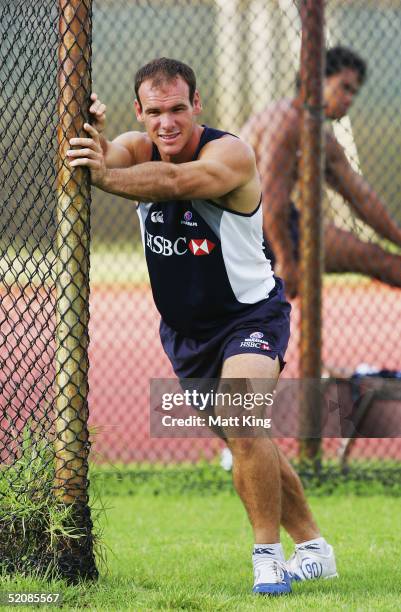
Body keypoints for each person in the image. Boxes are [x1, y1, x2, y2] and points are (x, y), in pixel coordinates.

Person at [67, 58, 337, 595]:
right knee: (248, 440)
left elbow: (172, 182)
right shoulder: (135, 149)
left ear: (197, 107)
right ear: (140, 113)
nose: (167, 123)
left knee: (242, 416)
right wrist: (85, 133)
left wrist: (102, 174)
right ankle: (314, 547)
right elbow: (104, 156)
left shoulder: (229, 154)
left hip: (250, 316)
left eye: (178, 109)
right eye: (155, 112)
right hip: (186, 336)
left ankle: (267, 556)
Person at [241, 46, 401, 298]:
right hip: (241, 225)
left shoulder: (322, 139)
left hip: (282, 221)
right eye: (344, 88)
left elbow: (363, 199)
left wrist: (398, 238)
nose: (349, 99)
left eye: (354, 93)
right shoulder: (285, 121)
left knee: (377, 259)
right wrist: (286, 260)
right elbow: (269, 198)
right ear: (316, 81)